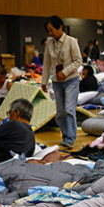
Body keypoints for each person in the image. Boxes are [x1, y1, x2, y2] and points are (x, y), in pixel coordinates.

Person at [41, 15, 83, 149]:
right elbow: (46, 64)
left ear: (60, 27)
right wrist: (44, 82)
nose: (50, 33)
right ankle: (65, 136)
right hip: (56, 82)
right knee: (60, 113)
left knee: (69, 110)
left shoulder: (71, 41)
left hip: (71, 80)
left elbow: (78, 61)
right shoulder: (49, 44)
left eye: (52, 30)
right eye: (48, 31)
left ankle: (70, 139)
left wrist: (64, 72)